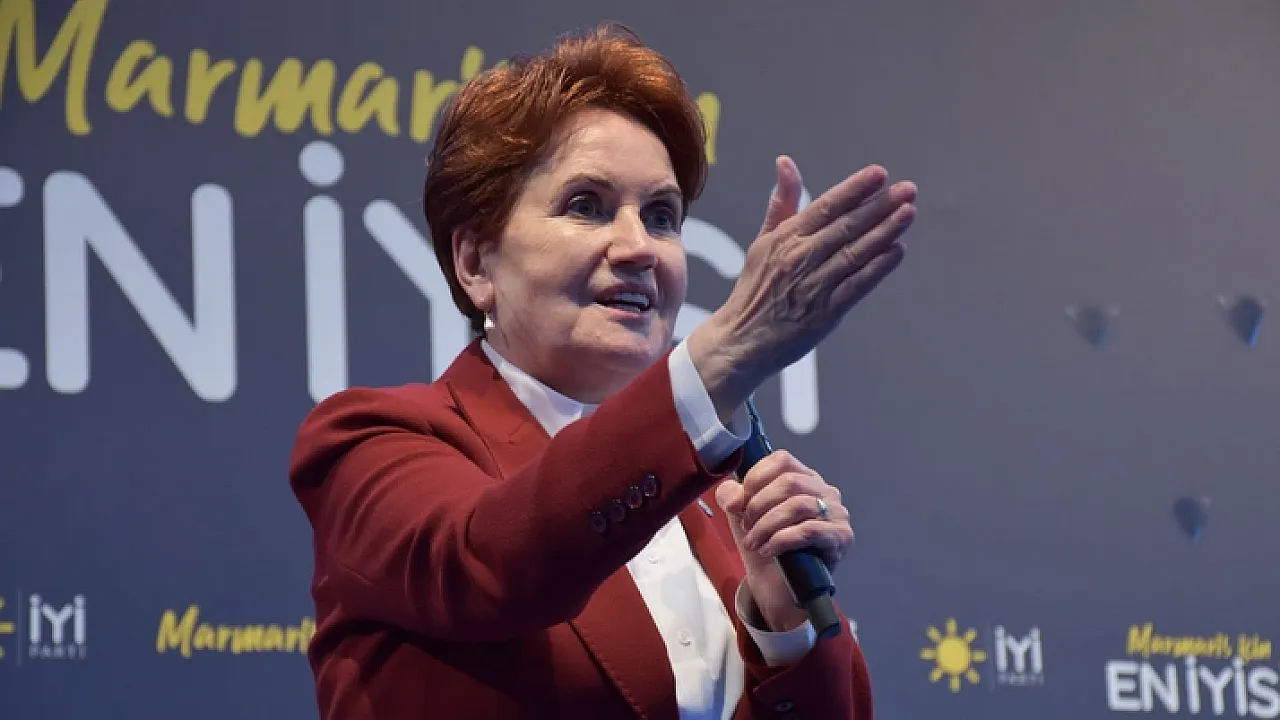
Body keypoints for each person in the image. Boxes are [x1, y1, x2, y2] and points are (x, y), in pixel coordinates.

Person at [289, 22, 917, 720]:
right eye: (586, 206)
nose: (639, 246)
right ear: (475, 263)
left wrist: (782, 624)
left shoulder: (722, 496)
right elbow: (488, 563)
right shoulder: (369, 441)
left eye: (662, 216)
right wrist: (722, 356)